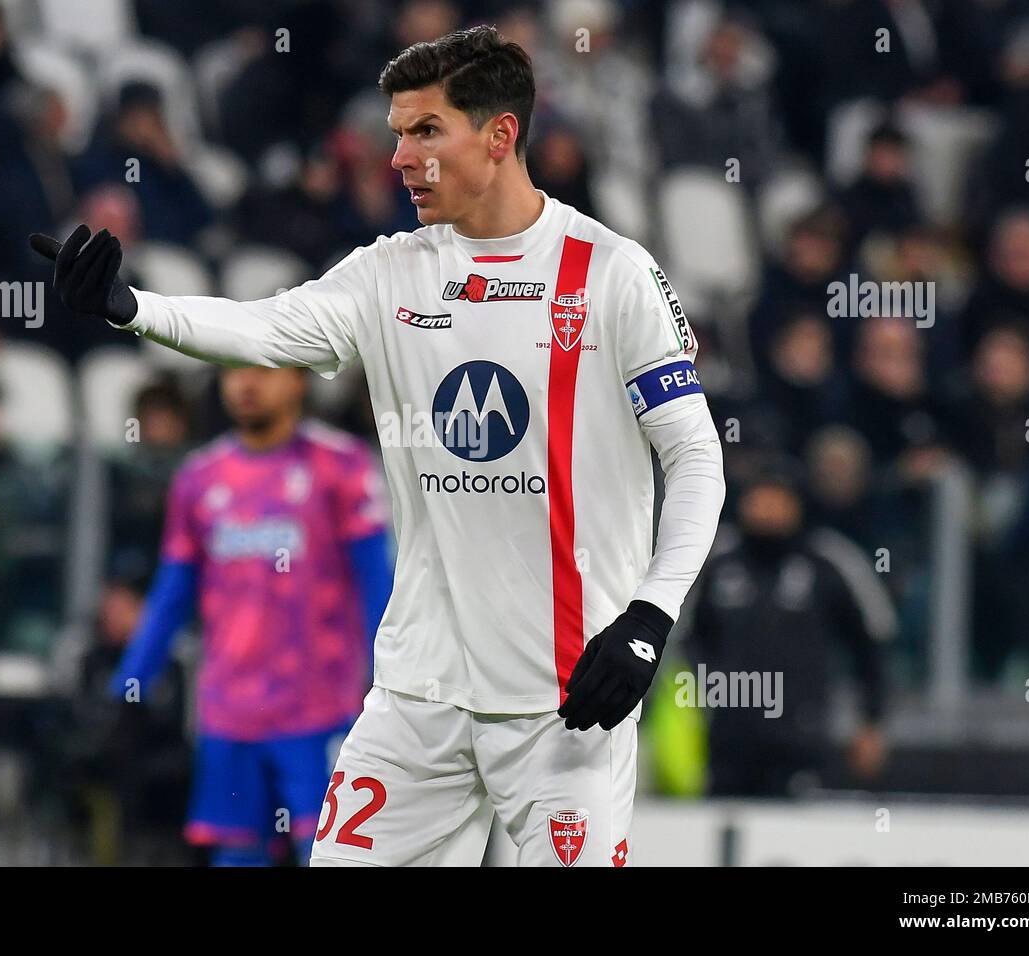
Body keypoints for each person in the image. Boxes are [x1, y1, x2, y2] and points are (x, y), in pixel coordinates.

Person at [35, 25, 725, 867]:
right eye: (396, 132)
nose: (398, 157)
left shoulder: (611, 275)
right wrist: (131, 306)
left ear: (501, 135)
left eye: (425, 131)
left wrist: (649, 619)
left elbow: (695, 458)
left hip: (566, 701)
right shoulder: (390, 270)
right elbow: (262, 328)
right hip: (417, 699)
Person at [110, 365, 393, 866]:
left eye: (263, 370)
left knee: (332, 856)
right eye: (234, 370)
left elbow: (379, 584)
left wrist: (389, 682)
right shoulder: (200, 477)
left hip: (322, 711)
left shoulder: (342, 466)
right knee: (238, 857)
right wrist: (128, 683)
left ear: (299, 380)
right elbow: (173, 591)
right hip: (228, 713)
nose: (246, 384)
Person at [681, 459, 893, 797]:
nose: (767, 507)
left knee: (793, 838)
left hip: (802, 741)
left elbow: (871, 643)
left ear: (798, 503)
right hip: (724, 740)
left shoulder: (830, 560)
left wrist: (870, 721)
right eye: (759, 496)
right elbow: (682, 639)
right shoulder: (715, 560)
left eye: (778, 498)